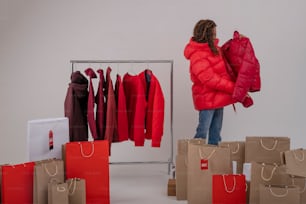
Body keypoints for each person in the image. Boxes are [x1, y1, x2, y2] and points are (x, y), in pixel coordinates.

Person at [184, 19, 237, 145]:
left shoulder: (215, 50)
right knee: (202, 132)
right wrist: (232, 87)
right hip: (207, 99)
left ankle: (213, 161)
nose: (215, 37)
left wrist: (239, 40)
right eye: (212, 34)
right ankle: (194, 158)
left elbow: (230, 54)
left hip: (219, 98)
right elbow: (210, 79)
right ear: (205, 35)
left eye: (215, 34)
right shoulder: (198, 55)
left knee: (216, 133)